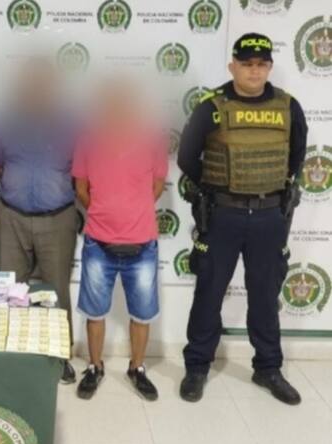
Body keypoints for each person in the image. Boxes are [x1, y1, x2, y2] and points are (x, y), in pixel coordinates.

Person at [178, 33, 308, 405]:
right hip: (223, 214)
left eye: (261, 64)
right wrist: (215, 189)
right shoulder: (212, 106)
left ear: (269, 66)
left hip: (269, 216)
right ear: (232, 65)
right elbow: (187, 157)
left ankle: (268, 368)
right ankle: (197, 367)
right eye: (247, 64)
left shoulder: (288, 107)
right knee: (209, 293)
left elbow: (296, 158)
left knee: (265, 297)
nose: (254, 71)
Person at [73, 78, 168, 401]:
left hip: (142, 245)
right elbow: (81, 188)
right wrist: (104, 211)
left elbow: (156, 186)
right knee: (95, 312)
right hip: (98, 243)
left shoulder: (153, 138)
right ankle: (95, 367)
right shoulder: (87, 139)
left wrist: (132, 212)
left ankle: (137, 368)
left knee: (142, 313)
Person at [0, 58, 79, 384]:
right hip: (12, 216)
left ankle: (59, 357)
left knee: (56, 291)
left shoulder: (72, 123)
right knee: (10, 291)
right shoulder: (5, 120)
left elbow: (82, 166)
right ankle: (12, 355)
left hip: (58, 218)